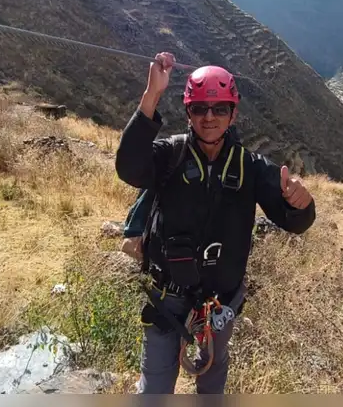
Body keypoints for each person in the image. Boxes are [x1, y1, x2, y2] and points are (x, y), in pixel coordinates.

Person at [115, 52, 316, 394]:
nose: (209, 117)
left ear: (233, 113)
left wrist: (302, 205)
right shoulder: (170, 156)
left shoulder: (251, 168)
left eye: (220, 109)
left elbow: (295, 222)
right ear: (188, 112)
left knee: (212, 380)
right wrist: (152, 95)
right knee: (154, 391)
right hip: (167, 297)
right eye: (199, 109)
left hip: (220, 302)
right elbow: (129, 168)